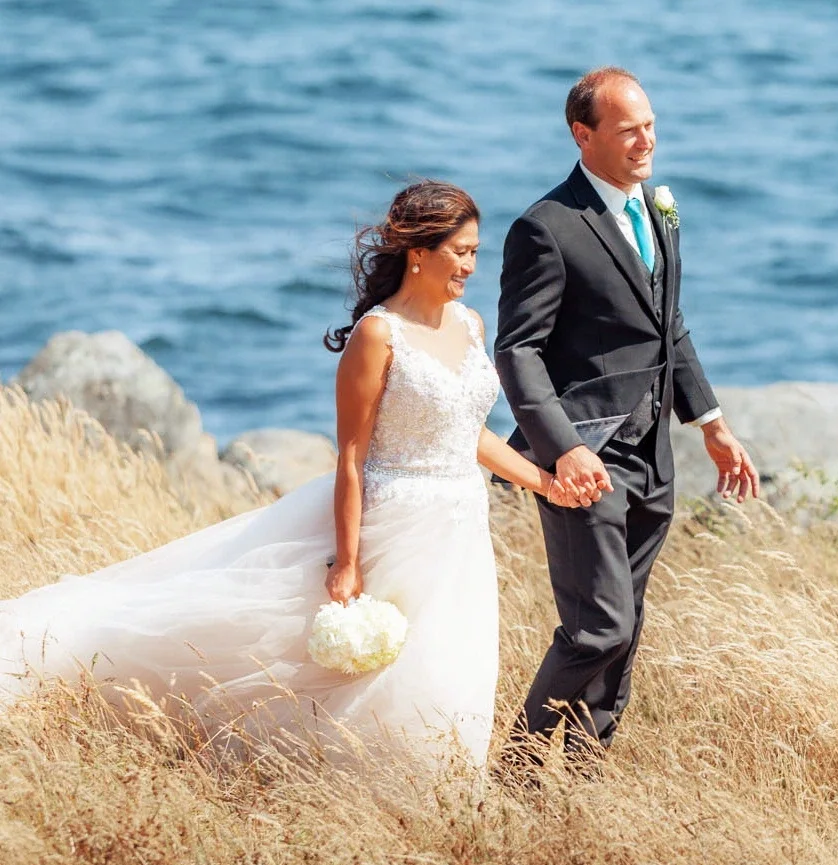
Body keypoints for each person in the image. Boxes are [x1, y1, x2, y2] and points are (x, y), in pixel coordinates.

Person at [0, 181, 577, 773]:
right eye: (459, 252)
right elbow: (351, 457)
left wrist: (543, 481)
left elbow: (466, 432)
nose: (470, 266)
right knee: (353, 665)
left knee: (451, 660)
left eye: (475, 251)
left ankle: (440, 789)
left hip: (459, 527)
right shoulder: (378, 335)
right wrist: (348, 561)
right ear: (418, 253)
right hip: (392, 522)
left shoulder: (470, 325)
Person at [495, 67, 759, 776]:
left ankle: (585, 774)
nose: (645, 140)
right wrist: (561, 449)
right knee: (597, 625)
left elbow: (666, 324)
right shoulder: (545, 226)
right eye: (627, 129)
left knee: (627, 626)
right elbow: (515, 350)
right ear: (583, 136)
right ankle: (515, 769)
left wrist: (710, 420)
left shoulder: (659, 211)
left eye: (649, 124)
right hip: (585, 458)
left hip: (652, 455)